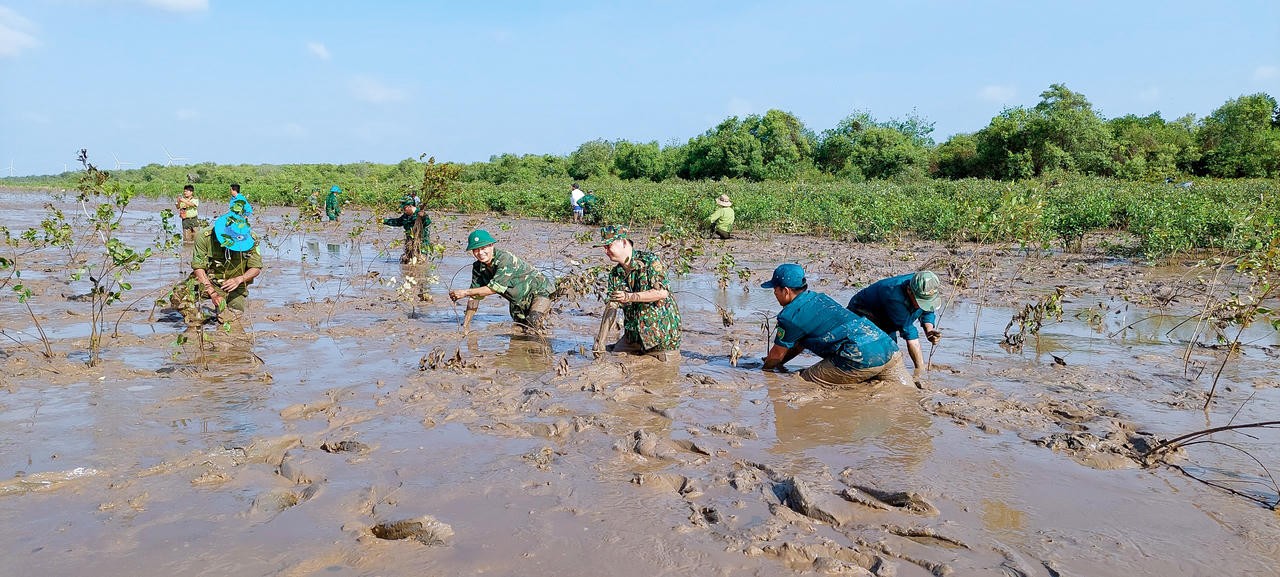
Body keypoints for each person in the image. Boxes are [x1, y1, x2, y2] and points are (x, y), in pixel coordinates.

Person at [761, 264, 909, 387]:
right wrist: (780, 364)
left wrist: (765, 371)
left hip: (860, 356)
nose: (774, 292)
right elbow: (798, 345)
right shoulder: (820, 298)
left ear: (786, 291)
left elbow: (777, 353)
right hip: (888, 348)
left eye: (775, 288)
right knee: (908, 392)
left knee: (801, 382)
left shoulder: (790, 316)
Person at [595, 225, 681, 360]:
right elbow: (612, 307)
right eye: (604, 248)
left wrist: (629, 297)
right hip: (633, 337)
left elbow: (662, 292)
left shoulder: (650, 261)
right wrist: (600, 341)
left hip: (660, 335)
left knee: (663, 372)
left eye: (608, 246)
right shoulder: (615, 274)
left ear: (623, 242)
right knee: (613, 357)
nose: (606, 251)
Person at [168, 202, 263, 324]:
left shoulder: (252, 239)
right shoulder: (204, 237)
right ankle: (197, 321)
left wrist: (239, 279)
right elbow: (199, 268)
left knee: (230, 321)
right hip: (208, 281)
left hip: (234, 287)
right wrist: (212, 293)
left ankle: (221, 312)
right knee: (178, 296)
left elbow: (256, 268)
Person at [448, 230, 553, 331]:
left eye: (483, 248)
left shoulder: (504, 259)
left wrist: (465, 292)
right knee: (520, 331)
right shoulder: (478, 267)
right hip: (517, 301)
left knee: (533, 324)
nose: (480, 253)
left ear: (491, 246)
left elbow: (495, 289)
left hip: (540, 293)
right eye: (476, 249)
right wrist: (465, 325)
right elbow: (474, 297)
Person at [845, 271, 941, 375]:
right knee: (878, 355)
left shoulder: (926, 286)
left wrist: (929, 331)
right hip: (864, 312)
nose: (922, 305)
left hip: (887, 316)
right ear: (909, 291)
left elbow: (928, 310)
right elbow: (909, 333)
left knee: (890, 351)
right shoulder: (894, 295)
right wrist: (920, 371)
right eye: (920, 301)